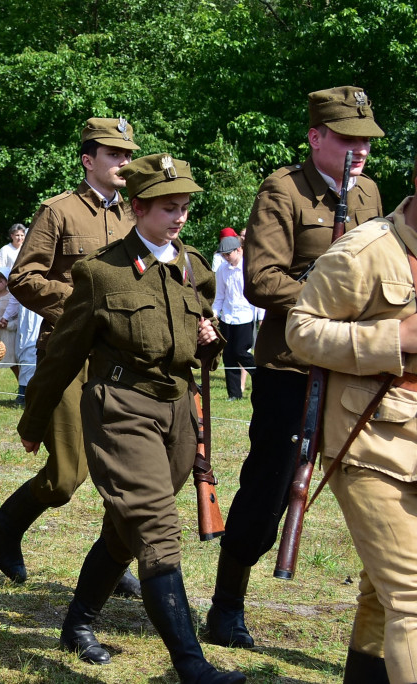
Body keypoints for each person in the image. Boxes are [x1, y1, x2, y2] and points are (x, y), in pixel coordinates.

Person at [18, 154, 242, 682]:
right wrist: (34, 421)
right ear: (138, 207)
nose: (180, 217)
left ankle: (77, 624)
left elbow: (199, 336)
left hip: (176, 413)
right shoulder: (100, 272)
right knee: (158, 528)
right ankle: (192, 666)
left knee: (126, 530)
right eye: (169, 208)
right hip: (120, 411)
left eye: (185, 207)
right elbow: (64, 354)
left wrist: (212, 341)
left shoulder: (192, 266)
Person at [209, 86, 384, 650]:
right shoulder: (283, 191)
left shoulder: (371, 195)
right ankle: (226, 604)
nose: (359, 151)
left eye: (366, 141)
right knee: (270, 492)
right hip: (294, 365)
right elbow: (261, 280)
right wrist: (330, 298)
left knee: (380, 486)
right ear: (316, 137)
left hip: (358, 364)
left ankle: (384, 610)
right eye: (347, 139)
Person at [0, 117, 140, 594]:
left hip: (124, 356)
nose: (124, 163)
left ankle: (112, 561)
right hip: (70, 353)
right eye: (114, 155)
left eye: (128, 155)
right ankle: (5, 525)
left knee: (126, 467)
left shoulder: (140, 212)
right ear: (88, 160)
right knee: (65, 477)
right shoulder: (59, 212)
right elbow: (24, 278)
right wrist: (83, 307)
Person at [286, 157, 417, 683]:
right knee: (412, 595)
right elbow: (301, 330)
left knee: (380, 592)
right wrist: (396, 341)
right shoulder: (366, 250)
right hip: (371, 443)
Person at [212, 227, 257, 400]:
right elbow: (220, 296)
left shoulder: (248, 267)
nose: (225, 258)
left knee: (240, 351)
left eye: (228, 254)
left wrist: (261, 316)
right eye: (223, 255)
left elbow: (255, 293)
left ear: (239, 250)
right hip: (228, 317)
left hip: (245, 316)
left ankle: (260, 376)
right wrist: (215, 314)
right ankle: (234, 394)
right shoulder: (222, 270)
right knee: (229, 355)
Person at [0, 268, 20, 383]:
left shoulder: (12, 297)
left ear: (6, 282)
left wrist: (8, 324)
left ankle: (22, 387)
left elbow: (17, 317)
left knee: (12, 362)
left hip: (7, 333)